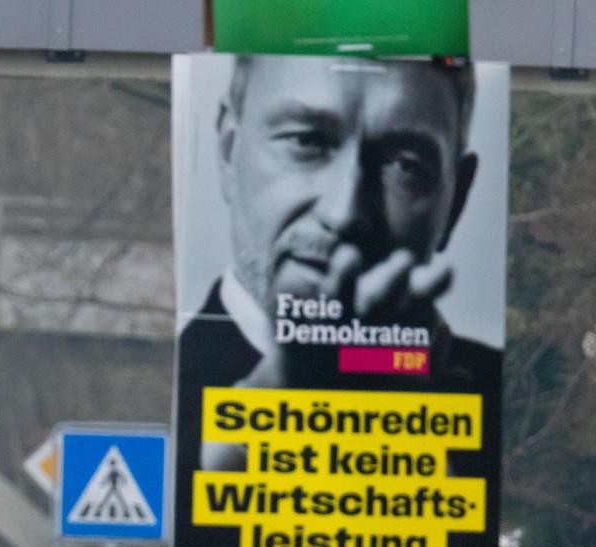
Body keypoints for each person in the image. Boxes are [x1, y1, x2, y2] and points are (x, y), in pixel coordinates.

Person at [177, 55, 497, 474]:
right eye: (307, 141)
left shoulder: (498, 405)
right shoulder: (154, 382)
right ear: (227, 150)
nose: (344, 212)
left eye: (404, 166)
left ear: (455, 201)